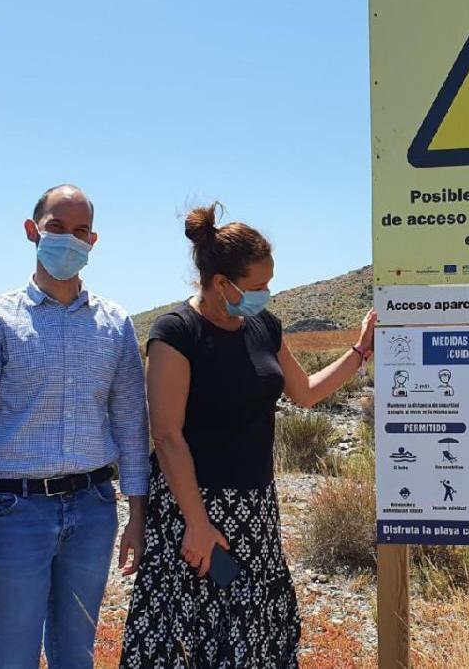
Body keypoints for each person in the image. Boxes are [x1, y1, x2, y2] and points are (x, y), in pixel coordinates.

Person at [119, 203, 376, 667]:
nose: (267, 295)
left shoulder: (263, 326)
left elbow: (307, 392)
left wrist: (360, 351)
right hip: (193, 511)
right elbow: (167, 435)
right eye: (258, 287)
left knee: (253, 633)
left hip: (255, 507)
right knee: (190, 634)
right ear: (222, 283)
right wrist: (197, 522)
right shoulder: (176, 333)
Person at [0, 184, 149, 668]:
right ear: (33, 231)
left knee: (75, 656)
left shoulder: (115, 324)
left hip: (93, 510)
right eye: (57, 228)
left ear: (93, 242)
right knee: (12, 657)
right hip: (11, 513)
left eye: (81, 232)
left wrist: (136, 514)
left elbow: (131, 425)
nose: (69, 241)